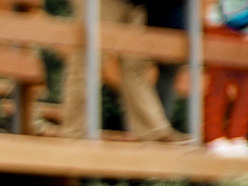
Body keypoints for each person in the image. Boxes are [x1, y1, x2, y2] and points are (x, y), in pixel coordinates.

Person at [59, 0, 181, 138]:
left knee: (134, 65)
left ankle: (153, 131)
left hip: (135, 4)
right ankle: (75, 132)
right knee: (88, 63)